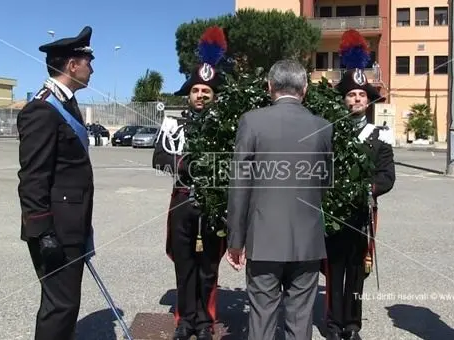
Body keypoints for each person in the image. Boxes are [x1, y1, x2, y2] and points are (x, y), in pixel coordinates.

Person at [226, 59, 334, 340]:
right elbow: (324, 183)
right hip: (307, 240)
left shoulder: (251, 121)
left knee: (261, 320)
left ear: (270, 86)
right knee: (300, 322)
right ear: (305, 88)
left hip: (263, 238)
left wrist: (236, 241)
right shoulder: (323, 127)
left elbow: (239, 184)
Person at [16, 26, 95, 340]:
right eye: (88, 61)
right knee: (59, 307)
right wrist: (43, 231)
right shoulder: (43, 109)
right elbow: (32, 177)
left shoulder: (66, 102)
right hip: (56, 229)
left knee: (65, 306)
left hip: (69, 224)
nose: (92, 68)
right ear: (73, 65)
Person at [152, 26, 228, 340]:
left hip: (212, 206)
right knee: (184, 265)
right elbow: (158, 157)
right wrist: (183, 164)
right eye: (196, 90)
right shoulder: (173, 123)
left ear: (214, 95)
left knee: (209, 267)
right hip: (182, 202)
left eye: (206, 91)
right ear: (189, 93)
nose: (200, 95)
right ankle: (185, 319)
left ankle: (206, 320)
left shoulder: (225, 126)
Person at [321, 31, 395, 340]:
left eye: (361, 95)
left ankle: (353, 324)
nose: (356, 99)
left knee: (357, 270)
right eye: (351, 95)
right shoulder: (331, 133)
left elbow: (387, 176)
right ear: (344, 100)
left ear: (368, 100)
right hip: (334, 213)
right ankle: (334, 323)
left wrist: (367, 190)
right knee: (334, 268)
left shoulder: (381, 135)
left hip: (363, 212)